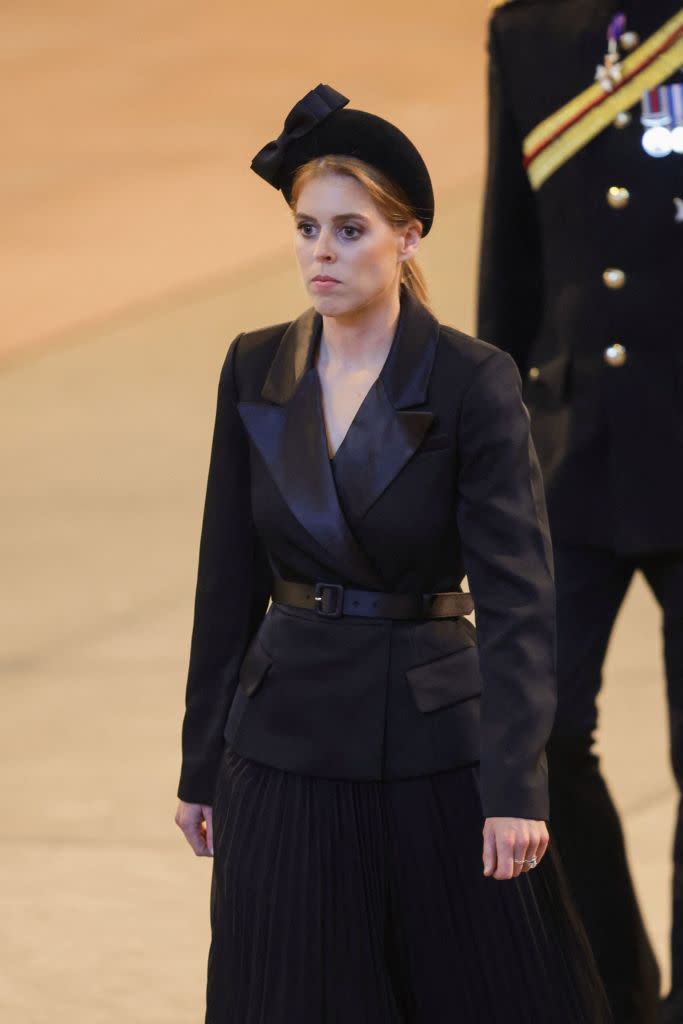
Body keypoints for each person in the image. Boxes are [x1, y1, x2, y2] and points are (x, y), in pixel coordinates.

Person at [175, 83, 609, 1023]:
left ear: (407, 236)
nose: (320, 255)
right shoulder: (254, 365)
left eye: (348, 230)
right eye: (305, 229)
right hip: (281, 744)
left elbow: (519, 600)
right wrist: (199, 765)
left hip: (435, 754)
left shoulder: (470, 379)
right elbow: (225, 580)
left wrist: (515, 786)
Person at [478, 2, 683, 1022]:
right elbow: (508, 248)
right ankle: (619, 990)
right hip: (570, 450)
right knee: (537, 730)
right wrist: (477, 439)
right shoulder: (526, 32)